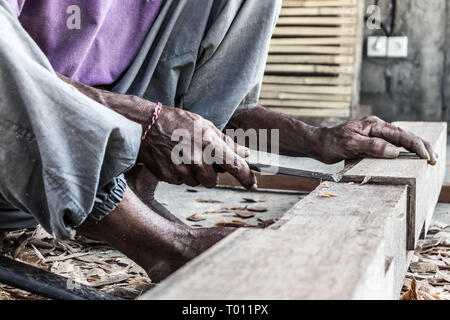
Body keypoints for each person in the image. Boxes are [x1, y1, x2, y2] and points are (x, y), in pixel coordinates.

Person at [0, 0, 437, 281]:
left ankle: (130, 197)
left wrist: (316, 139)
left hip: (97, 176)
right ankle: (162, 245)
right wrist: (147, 118)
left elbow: (206, 109)